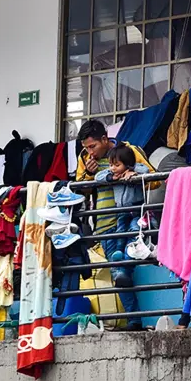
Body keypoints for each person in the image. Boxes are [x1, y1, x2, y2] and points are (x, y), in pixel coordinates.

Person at [76, 120, 160, 330]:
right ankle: (134, 320)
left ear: (105, 139)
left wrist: (134, 175)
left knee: (123, 265)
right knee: (119, 274)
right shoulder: (85, 159)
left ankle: (135, 319)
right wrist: (88, 174)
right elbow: (79, 193)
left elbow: (156, 180)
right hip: (104, 225)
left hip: (130, 217)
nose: (89, 151)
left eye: (92, 146)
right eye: (86, 148)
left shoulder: (129, 151)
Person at [95, 143, 150, 267]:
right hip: (121, 209)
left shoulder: (135, 170)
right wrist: (111, 177)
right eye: (111, 165)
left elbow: (145, 169)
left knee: (133, 230)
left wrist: (132, 171)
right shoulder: (113, 174)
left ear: (127, 163)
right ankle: (119, 251)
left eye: (117, 165)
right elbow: (98, 176)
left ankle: (128, 255)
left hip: (137, 209)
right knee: (121, 231)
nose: (113, 168)